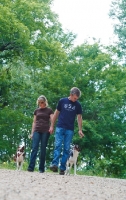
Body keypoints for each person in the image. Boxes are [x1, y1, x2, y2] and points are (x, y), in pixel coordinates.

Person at [49, 87, 84, 175]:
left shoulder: (78, 105)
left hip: (70, 129)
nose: (76, 100)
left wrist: (80, 129)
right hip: (60, 127)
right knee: (57, 145)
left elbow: (79, 117)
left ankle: (62, 168)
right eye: (75, 98)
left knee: (67, 148)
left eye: (77, 99)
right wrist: (52, 126)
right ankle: (55, 164)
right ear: (71, 95)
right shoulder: (62, 101)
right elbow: (56, 113)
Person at [27, 95, 53, 173]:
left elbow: (52, 120)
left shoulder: (49, 110)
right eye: (39, 103)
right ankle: (31, 167)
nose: (40, 104)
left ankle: (41, 169)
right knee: (34, 148)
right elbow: (34, 122)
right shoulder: (36, 111)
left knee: (43, 149)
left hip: (45, 131)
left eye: (42, 102)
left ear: (45, 102)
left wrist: (51, 127)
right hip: (37, 131)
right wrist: (32, 133)